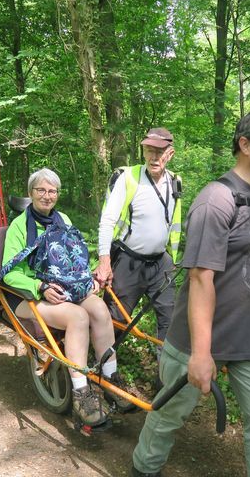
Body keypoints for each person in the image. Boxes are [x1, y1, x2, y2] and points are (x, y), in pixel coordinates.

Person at [132, 109, 250, 477]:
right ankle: (143, 468)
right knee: (169, 414)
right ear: (245, 145)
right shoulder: (215, 201)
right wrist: (202, 354)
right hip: (196, 341)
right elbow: (201, 278)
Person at [1, 168, 135, 427]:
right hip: (29, 295)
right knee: (78, 316)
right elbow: (9, 273)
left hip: (67, 288)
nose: (47, 196)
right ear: (31, 193)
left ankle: (110, 378)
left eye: (52, 191)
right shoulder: (19, 227)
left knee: (99, 308)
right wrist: (39, 286)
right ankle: (81, 392)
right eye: (41, 190)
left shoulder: (63, 218)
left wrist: (88, 277)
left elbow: (77, 255)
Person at [95, 128, 182, 364]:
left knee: (169, 319)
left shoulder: (175, 182)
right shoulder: (129, 177)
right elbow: (107, 221)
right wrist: (105, 263)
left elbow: (173, 224)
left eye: (160, 151)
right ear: (143, 151)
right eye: (149, 150)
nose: (154, 157)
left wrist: (173, 260)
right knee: (116, 319)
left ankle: (166, 376)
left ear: (170, 153)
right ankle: (101, 367)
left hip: (162, 263)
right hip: (129, 262)